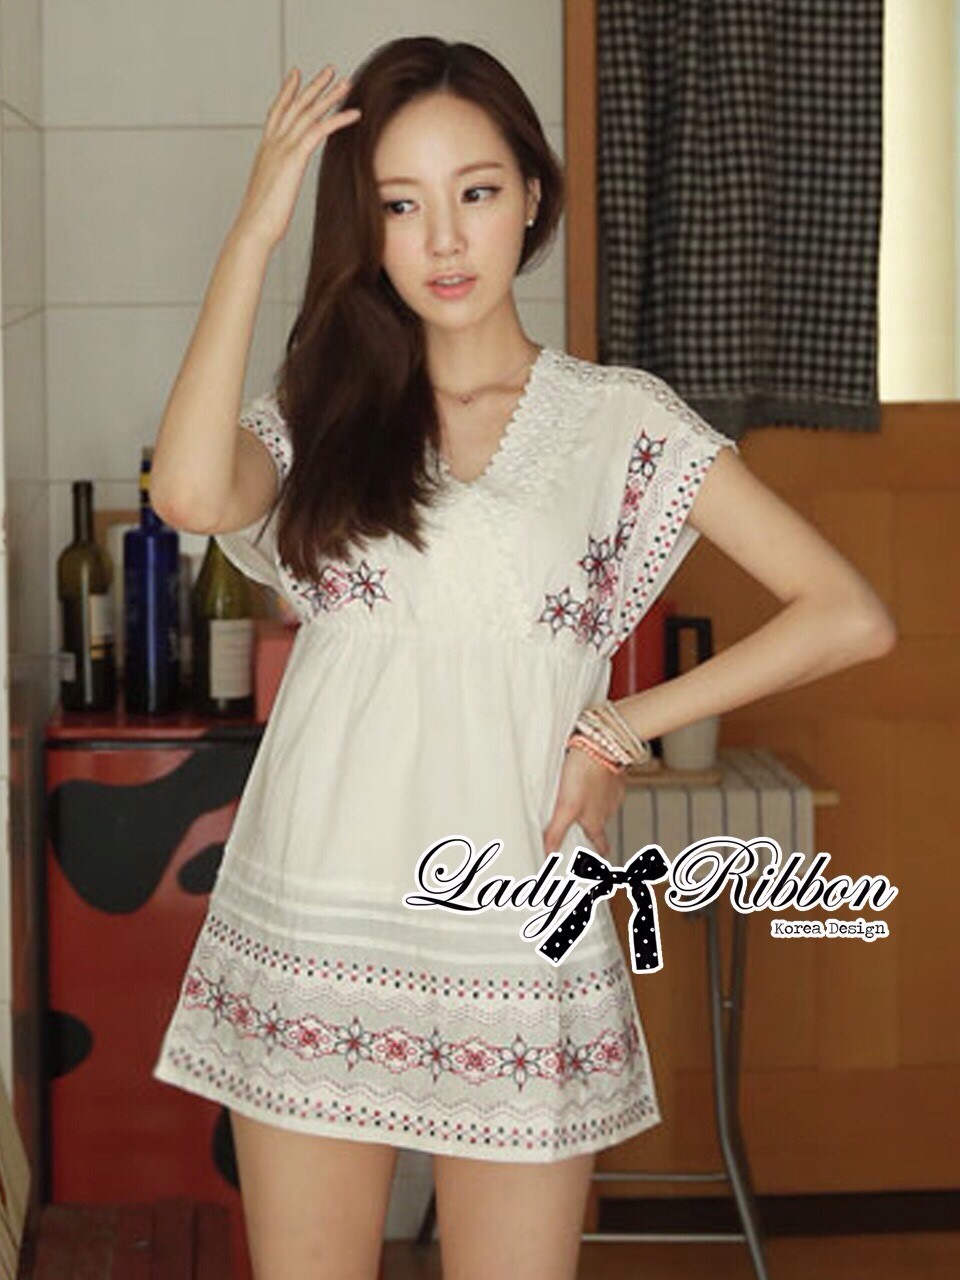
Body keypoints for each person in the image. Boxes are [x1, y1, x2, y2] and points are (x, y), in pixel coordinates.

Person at [149, 35, 897, 1280]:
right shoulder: (324, 414)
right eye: (401, 205)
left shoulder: (619, 418)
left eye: (477, 191)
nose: (444, 239)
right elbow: (184, 491)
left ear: (534, 197)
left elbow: (847, 611)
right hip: (317, 910)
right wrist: (255, 232)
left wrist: (620, 726)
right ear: (367, 229)